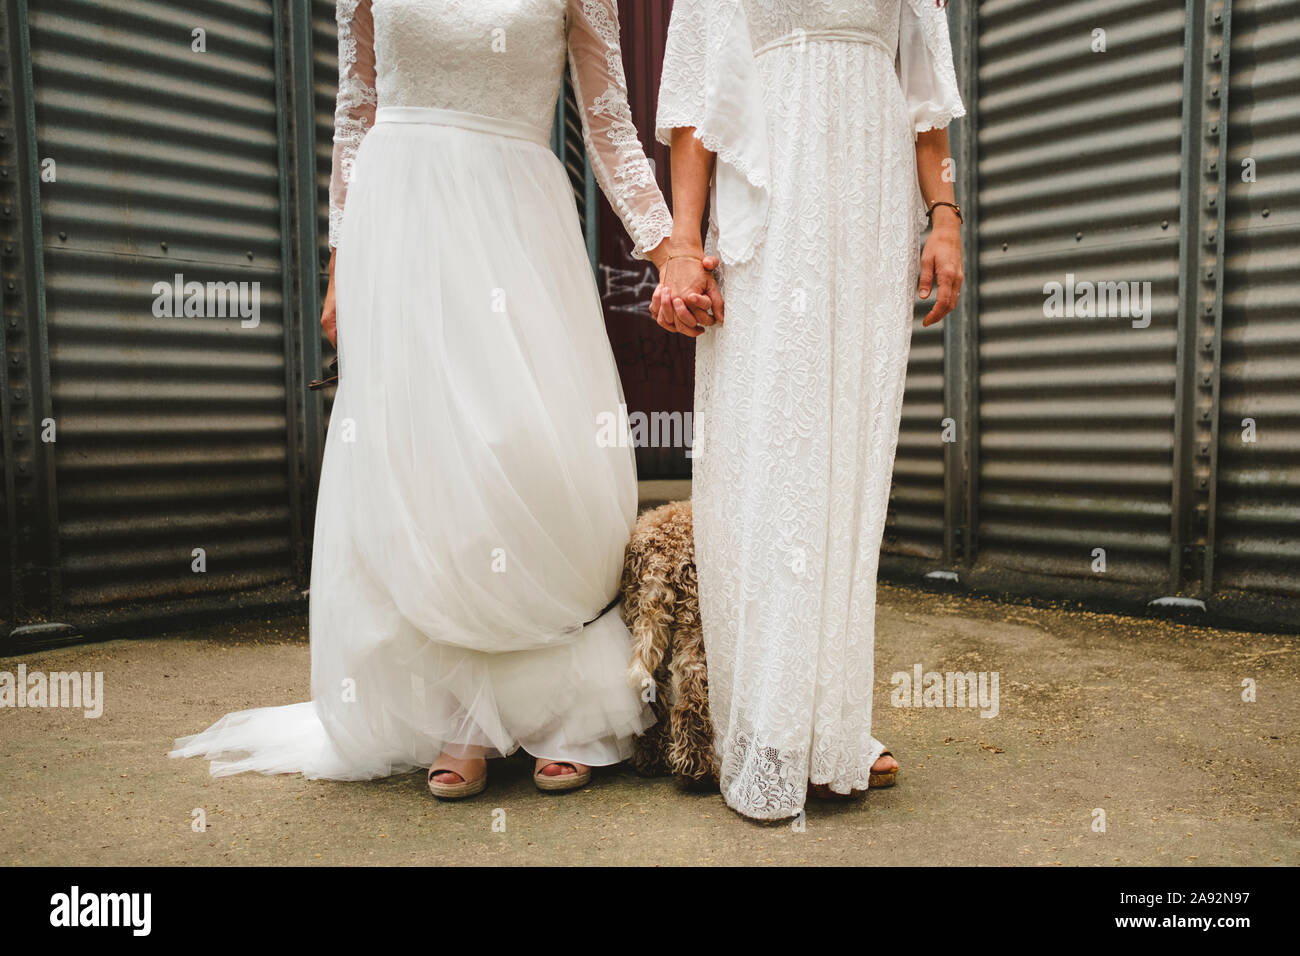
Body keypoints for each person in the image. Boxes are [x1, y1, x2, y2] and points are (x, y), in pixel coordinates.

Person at [173, 0, 684, 798]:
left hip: (515, 220)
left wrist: (669, 248)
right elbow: (358, 109)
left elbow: (608, 116)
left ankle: (566, 708)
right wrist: (343, 266)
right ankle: (465, 715)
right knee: (432, 467)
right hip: (402, 220)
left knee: (534, 448)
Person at [650, 0, 967, 820]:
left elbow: (923, 91)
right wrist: (684, 245)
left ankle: (831, 725)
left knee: (848, 455)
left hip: (870, 193)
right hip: (771, 194)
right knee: (772, 447)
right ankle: (766, 728)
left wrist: (944, 216)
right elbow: (694, 103)